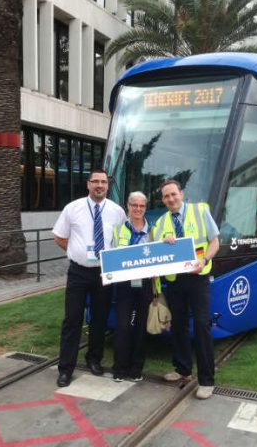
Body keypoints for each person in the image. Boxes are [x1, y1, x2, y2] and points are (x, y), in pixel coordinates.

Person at [52, 169, 126, 387]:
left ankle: (94, 359)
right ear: (88, 184)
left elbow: (122, 240)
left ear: (107, 186)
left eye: (103, 182)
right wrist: (77, 253)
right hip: (78, 272)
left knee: (99, 319)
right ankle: (66, 369)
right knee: (72, 319)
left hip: (104, 272)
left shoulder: (117, 212)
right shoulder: (72, 208)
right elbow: (59, 237)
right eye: (95, 181)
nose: (99, 185)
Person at [151, 179, 220, 399]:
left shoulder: (200, 211)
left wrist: (204, 260)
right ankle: (183, 369)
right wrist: (163, 241)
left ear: (181, 194)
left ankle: (207, 380)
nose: (170, 199)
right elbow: (155, 251)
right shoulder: (161, 223)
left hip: (198, 278)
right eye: (166, 196)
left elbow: (215, 242)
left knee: (201, 325)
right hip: (174, 281)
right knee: (178, 325)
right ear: (163, 200)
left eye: (173, 194)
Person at [109, 191, 153, 382]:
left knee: (141, 327)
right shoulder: (118, 230)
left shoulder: (153, 232)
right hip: (124, 284)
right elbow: (110, 255)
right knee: (123, 325)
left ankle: (136, 369)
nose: (137, 209)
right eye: (134, 205)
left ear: (145, 208)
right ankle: (119, 368)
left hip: (145, 283)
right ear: (128, 206)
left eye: (141, 206)